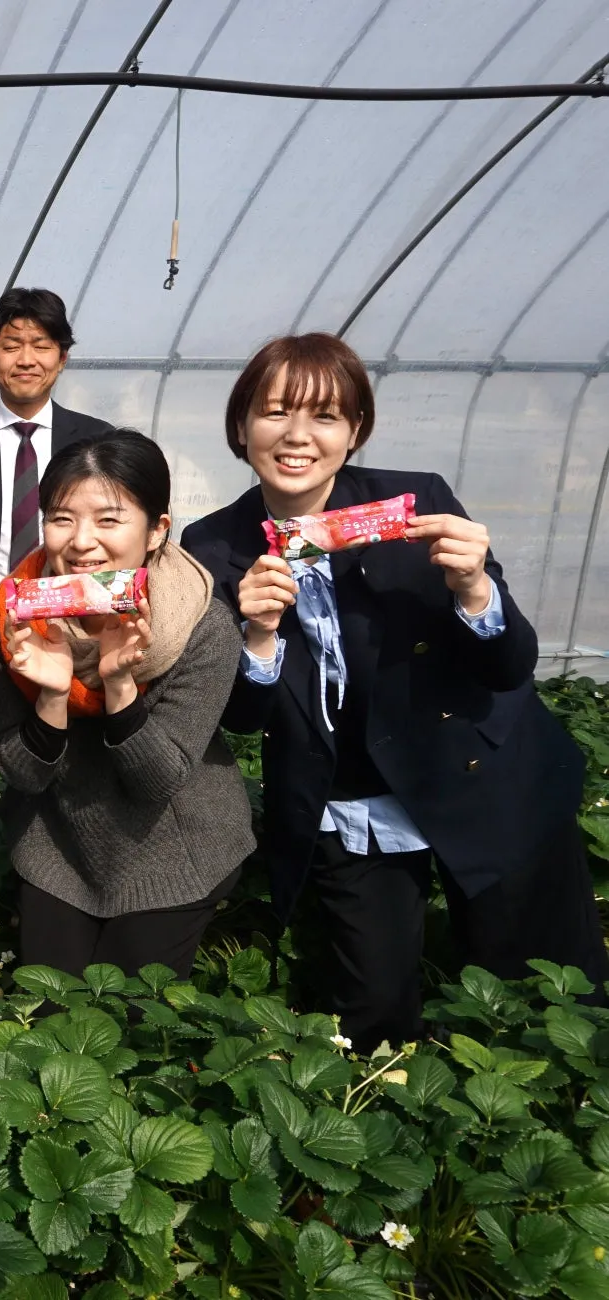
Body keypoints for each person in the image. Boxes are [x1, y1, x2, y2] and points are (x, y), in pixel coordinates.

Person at [183, 333, 608, 1050]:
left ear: (354, 433)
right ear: (240, 425)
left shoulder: (414, 505)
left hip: (479, 770)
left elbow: (509, 666)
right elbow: (244, 718)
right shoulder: (216, 545)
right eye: (274, 411)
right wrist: (256, 633)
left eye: (324, 416)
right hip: (347, 798)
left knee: (540, 997)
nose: (295, 436)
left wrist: (475, 587)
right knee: (373, 1010)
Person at [0, 431, 251, 979]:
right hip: (58, 847)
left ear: (156, 532)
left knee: (132, 1018)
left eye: (109, 520)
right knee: (54, 1012)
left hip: (177, 846)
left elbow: (158, 780)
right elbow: (23, 777)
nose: (81, 543)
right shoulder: (7, 618)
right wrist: (53, 695)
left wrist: (119, 686)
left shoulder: (200, 624)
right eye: (61, 518)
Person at [0, 287, 113, 771]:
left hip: (74, 629)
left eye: (42, 344)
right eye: (11, 345)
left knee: (68, 764)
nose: (26, 359)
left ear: (63, 357)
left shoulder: (98, 441)